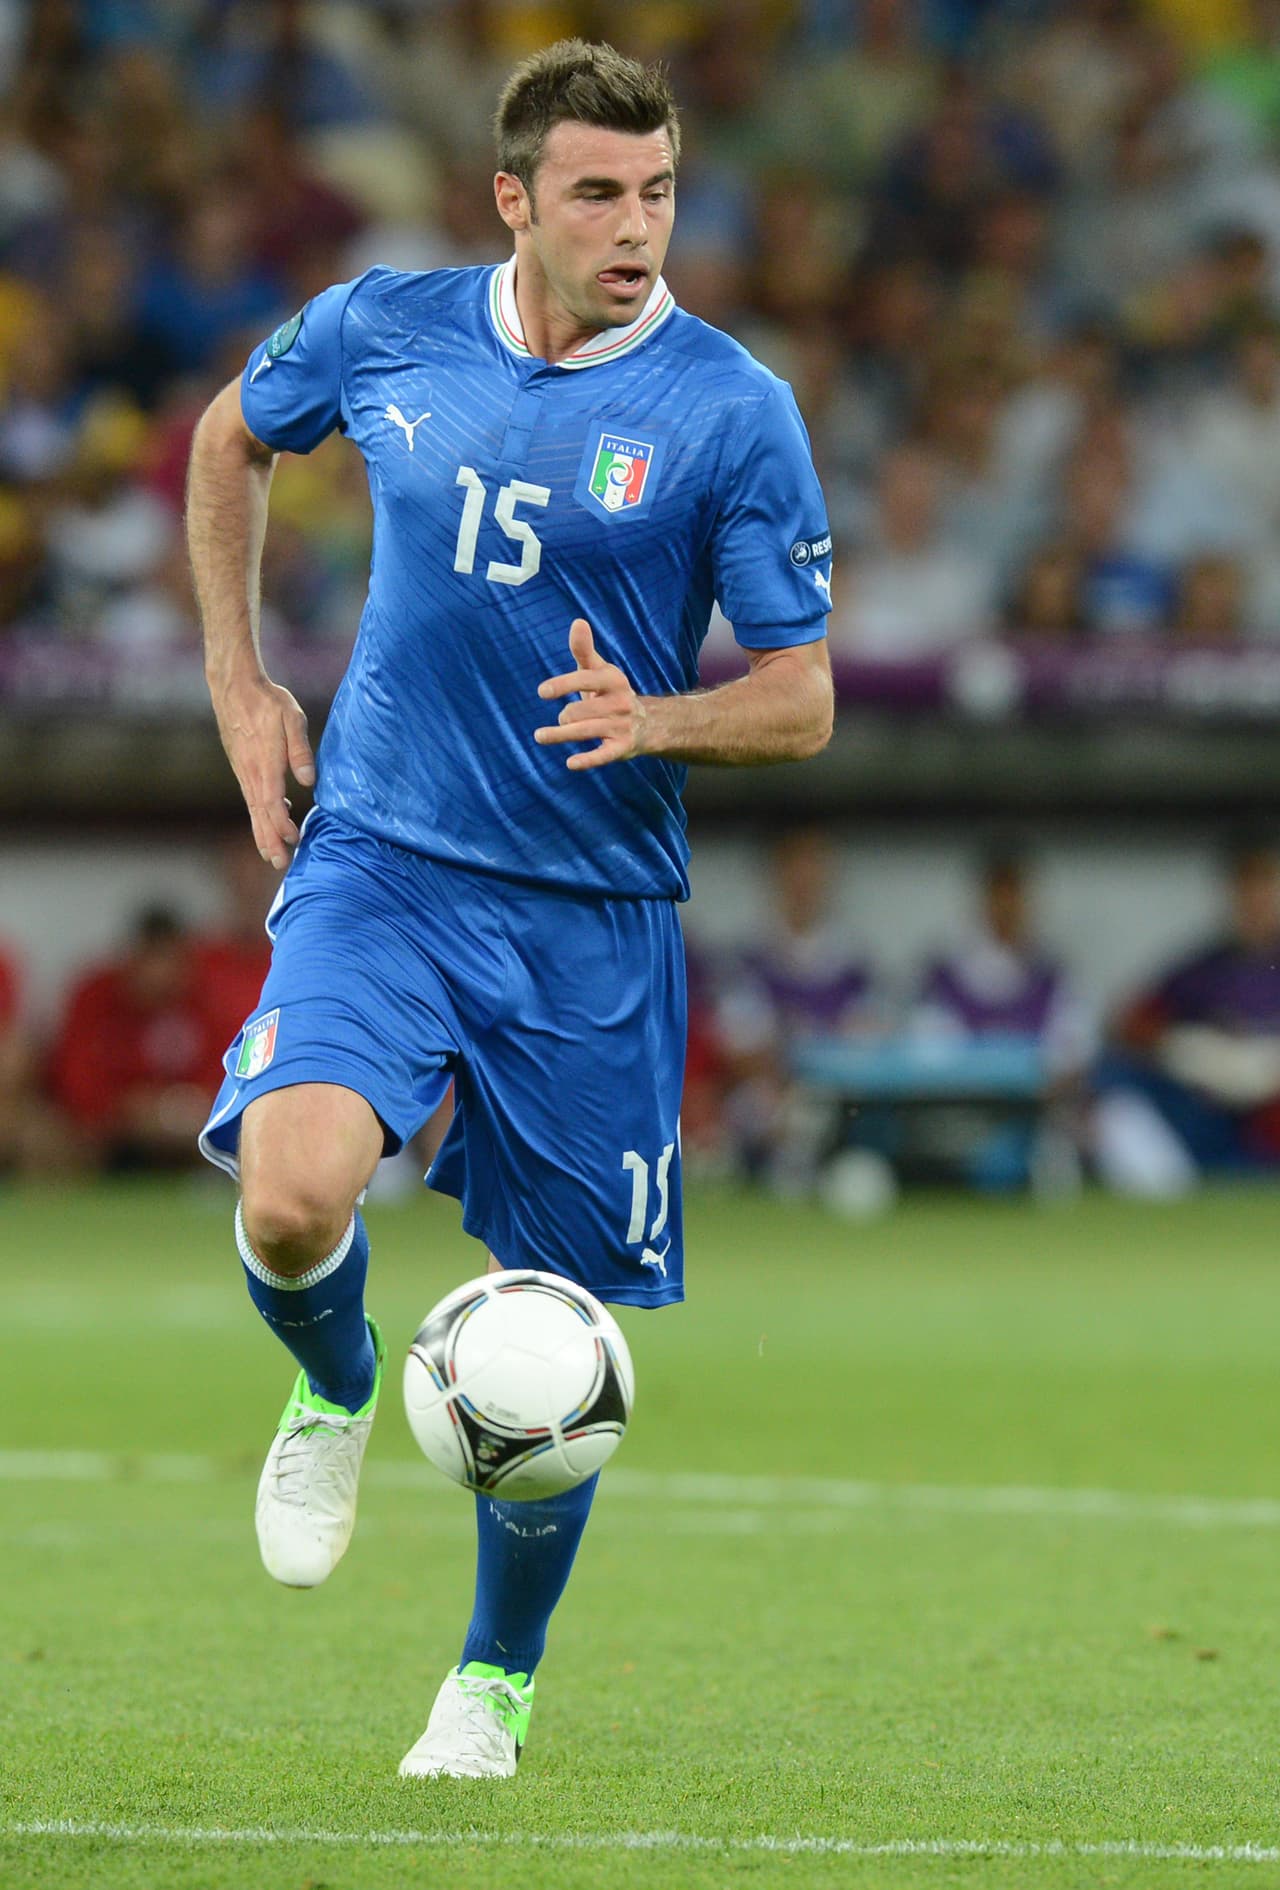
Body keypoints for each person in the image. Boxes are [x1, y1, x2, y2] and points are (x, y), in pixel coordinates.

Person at [185, 39, 832, 1782]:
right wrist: (244, 692)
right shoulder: (382, 327)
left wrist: (665, 716)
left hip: (590, 915)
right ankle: (330, 1384)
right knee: (297, 1190)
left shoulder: (726, 406)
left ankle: (492, 1682)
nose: (641, 227)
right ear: (515, 201)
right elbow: (227, 441)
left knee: (552, 1342)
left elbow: (802, 695)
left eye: (662, 191)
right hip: (382, 859)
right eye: (602, 194)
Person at [1095, 837, 1280, 1190]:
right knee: (1113, 1074)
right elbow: (1127, 1023)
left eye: (1265, 885)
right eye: (1246, 887)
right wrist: (1187, 1047)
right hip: (1215, 1120)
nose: (1256, 900)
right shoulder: (1204, 968)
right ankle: (1164, 1183)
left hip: (1273, 1122)